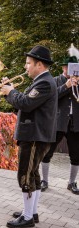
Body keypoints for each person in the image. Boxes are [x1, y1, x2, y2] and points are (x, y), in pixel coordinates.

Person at [1, 45, 57, 228]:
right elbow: (25, 101)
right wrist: (10, 92)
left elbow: (25, 103)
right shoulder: (42, 81)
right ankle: (31, 211)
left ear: (39, 65)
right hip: (37, 135)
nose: (26, 67)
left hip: (34, 136)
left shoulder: (44, 83)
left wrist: (10, 91)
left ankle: (27, 217)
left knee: (25, 175)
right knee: (33, 174)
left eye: (28, 63)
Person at [39, 56, 79, 195]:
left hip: (75, 123)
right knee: (47, 152)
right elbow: (52, 97)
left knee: (76, 155)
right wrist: (67, 85)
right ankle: (44, 180)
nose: (70, 70)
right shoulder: (55, 80)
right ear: (63, 68)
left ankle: (72, 182)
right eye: (68, 67)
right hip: (57, 122)